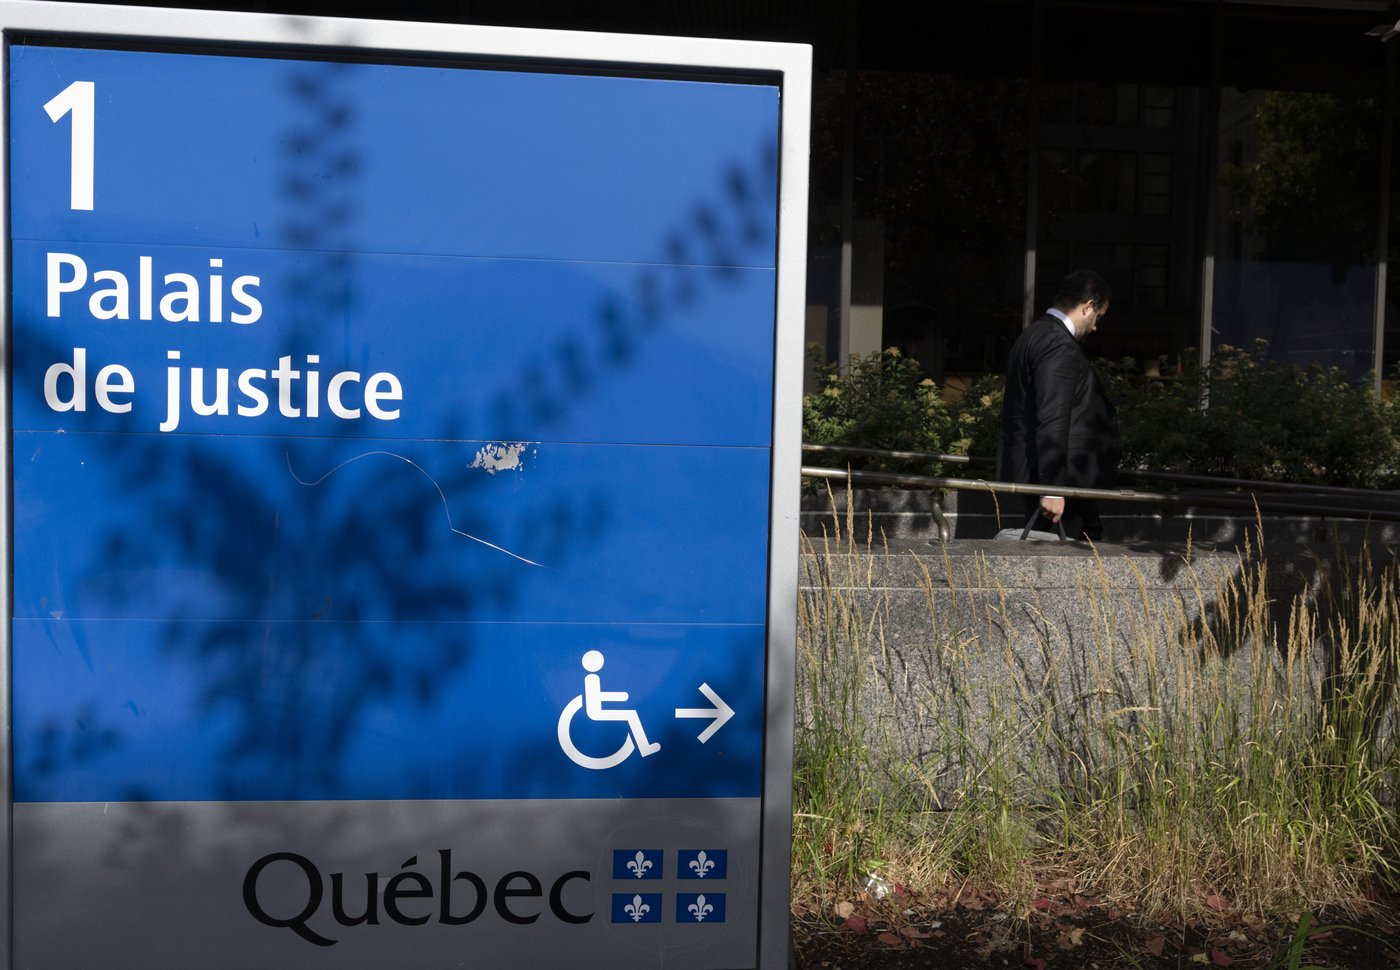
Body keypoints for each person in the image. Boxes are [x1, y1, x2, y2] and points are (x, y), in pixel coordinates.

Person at [997, 270, 1119, 541]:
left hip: (1050, 474)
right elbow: (1053, 414)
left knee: (1080, 544)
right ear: (1087, 306)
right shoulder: (1057, 343)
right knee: (1072, 551)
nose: (1095, 327)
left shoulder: (1034, 334)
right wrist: (1053, 488)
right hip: (1060, 478)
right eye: (1098, 317)